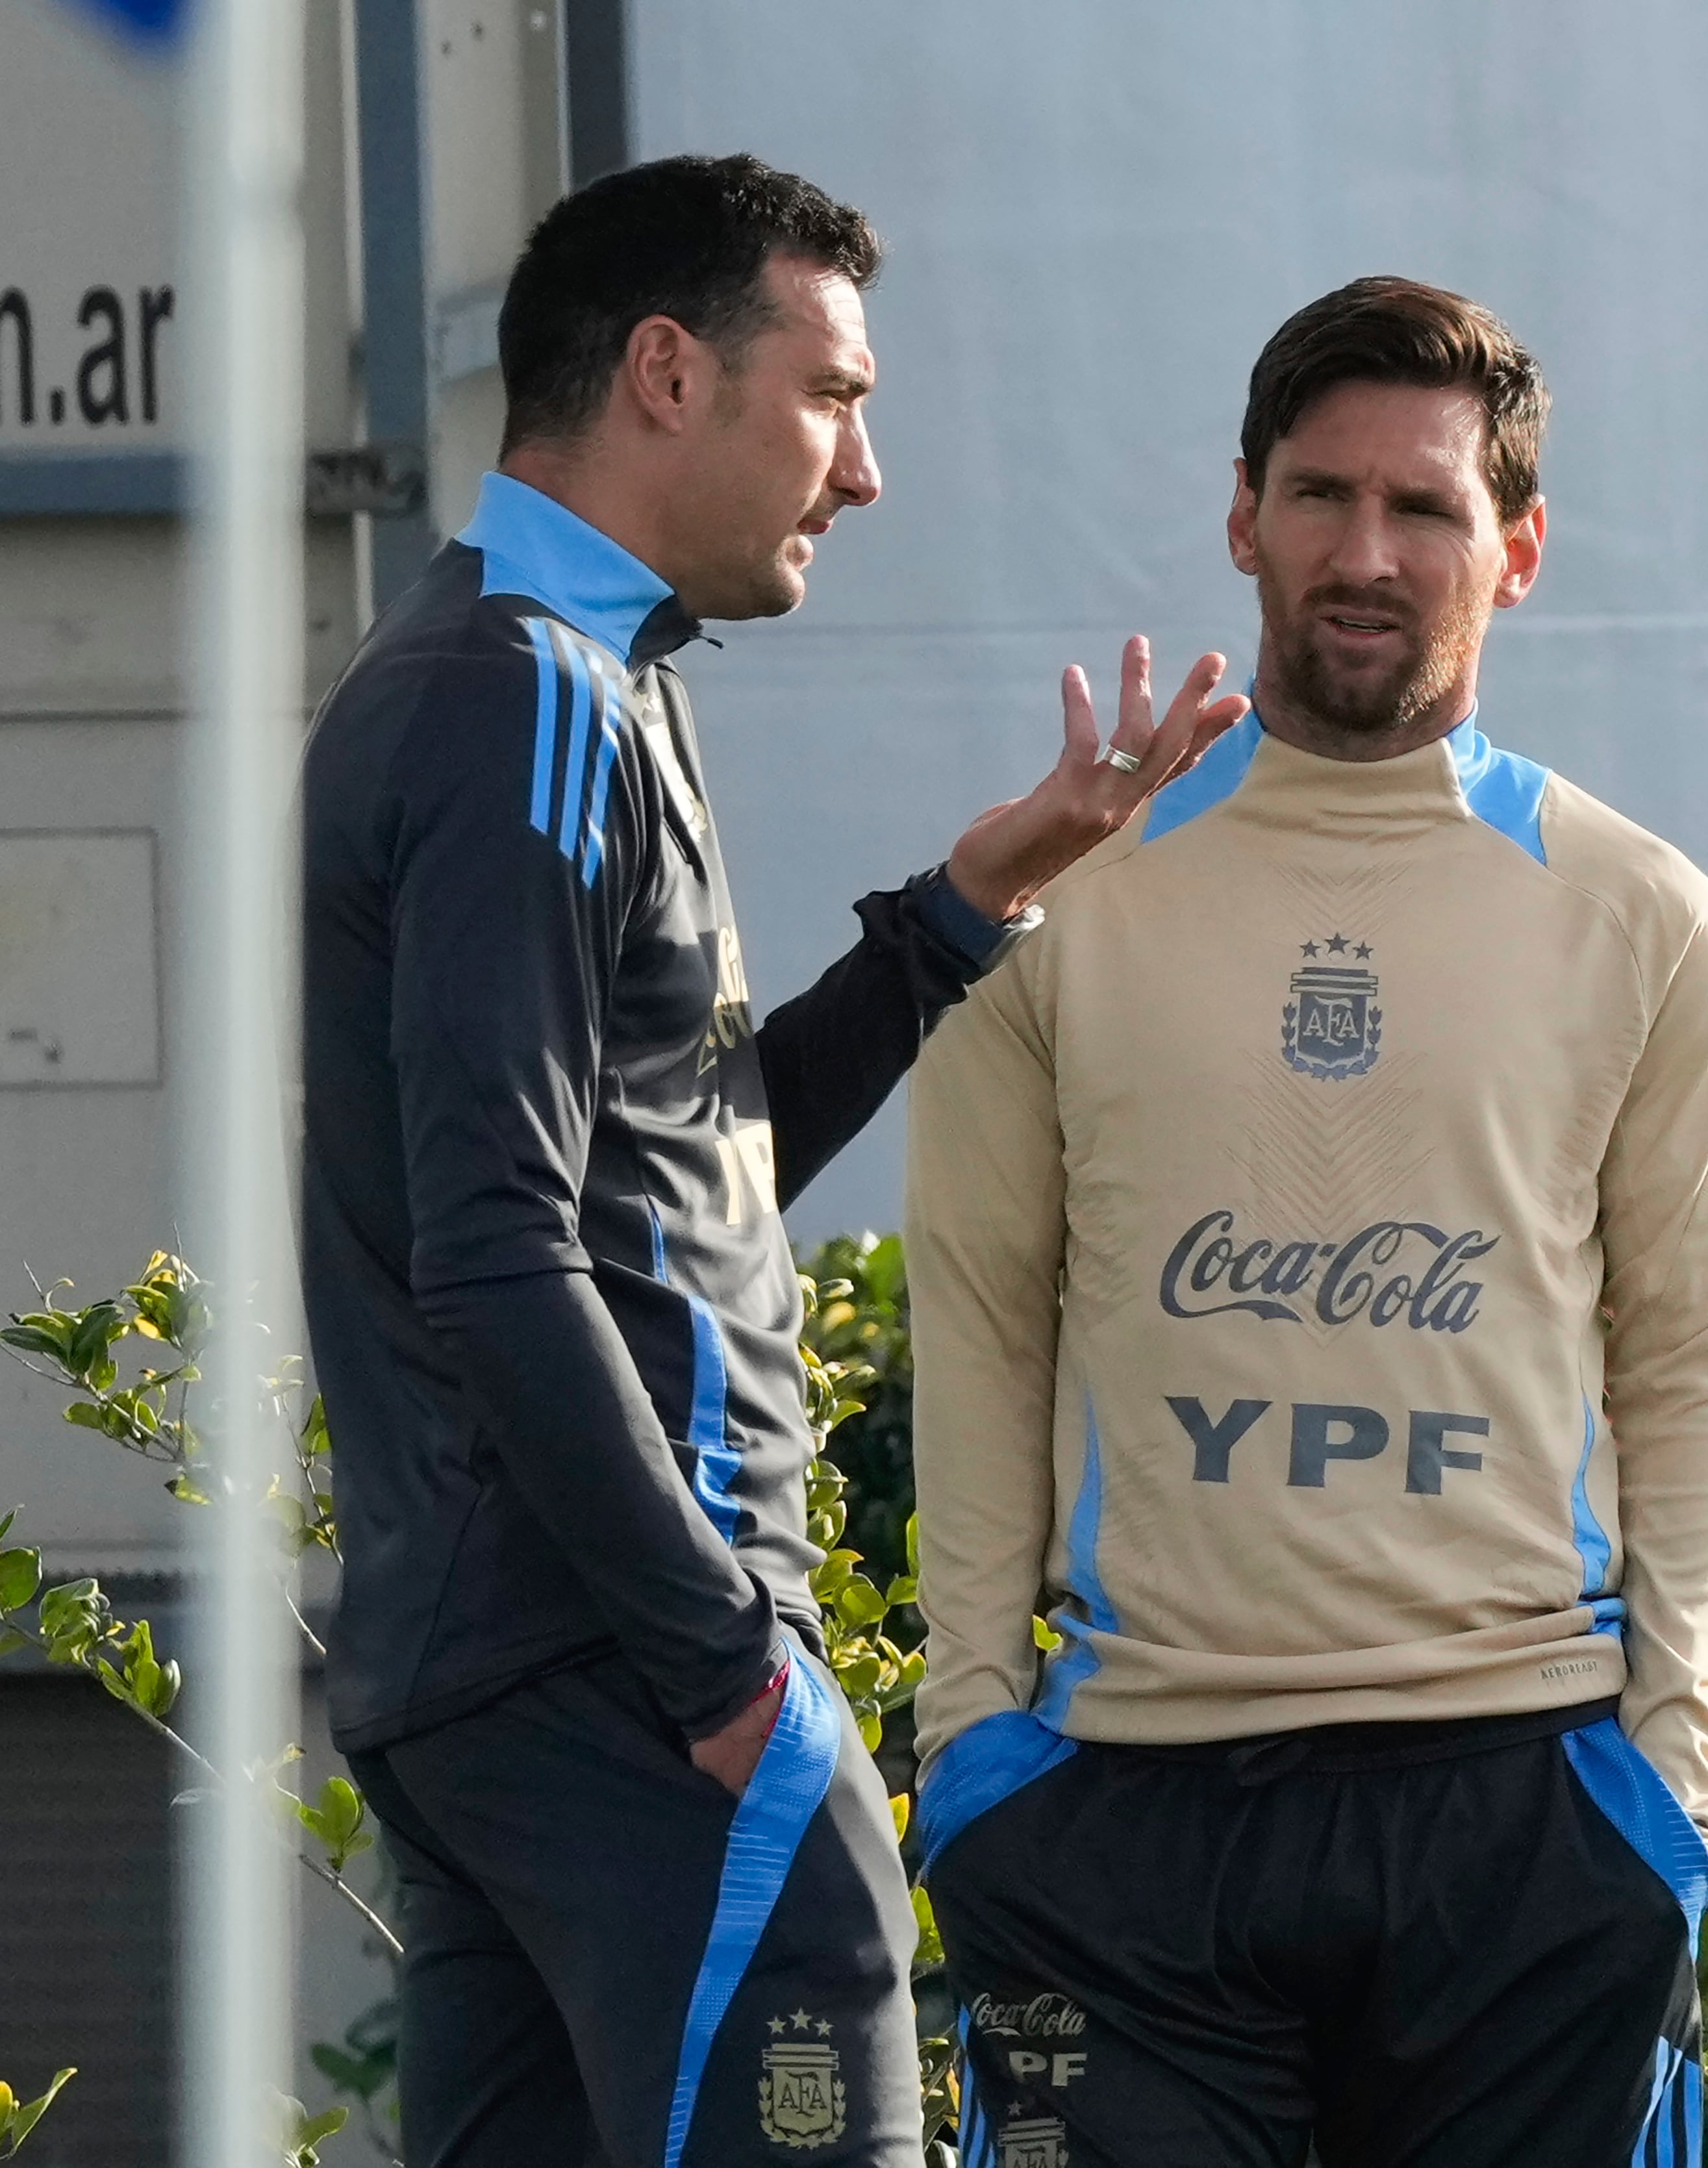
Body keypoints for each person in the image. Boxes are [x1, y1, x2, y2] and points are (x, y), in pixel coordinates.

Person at [297, 153, 1242, 2168]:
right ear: (664, 371)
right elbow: (501, 1250)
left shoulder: (548, 679)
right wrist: (729, 1666)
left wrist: (960, 911)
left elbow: (678, 1165)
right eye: (834, 394)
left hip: (517, 1677)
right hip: (633, 1678)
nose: (866, 469)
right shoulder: (525, 703)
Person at [905, 276, 1708, 2168]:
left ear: (1518, 550)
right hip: (1117, 1818)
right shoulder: (1064, 894)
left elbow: (1694, 1358)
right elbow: (974, 1316)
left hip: (1524, 1802)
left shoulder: (1643, 918)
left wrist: (1669, 1764)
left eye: (1428, 508)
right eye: (1320, 496)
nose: (1364, 553)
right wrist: (968, 1739)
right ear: (1243, 517)